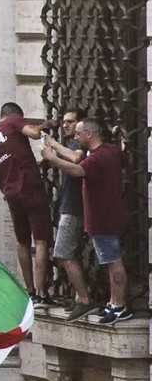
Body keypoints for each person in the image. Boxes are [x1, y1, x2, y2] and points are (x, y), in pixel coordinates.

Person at [41, 117, 131, 325]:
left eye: (78, 134)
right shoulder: (111, 151)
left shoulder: (98, 157)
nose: (75, 137)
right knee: (110, 262)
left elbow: (78, 170)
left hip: (103, 219)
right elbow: (128, 159)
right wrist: (123, 141)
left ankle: (119, 306)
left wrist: (51, 158)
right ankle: (113, 302)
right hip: (108, 217)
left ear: (89, 134)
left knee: (113, 262)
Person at [0, 102, 52, 302]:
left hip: (11, 193)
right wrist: (45, 126)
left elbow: (4, 164)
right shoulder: (14, 120)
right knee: (41, 241)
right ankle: (41, 292)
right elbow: (32, 133)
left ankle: (30, 290)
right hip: (30, 187)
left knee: (22, 241)